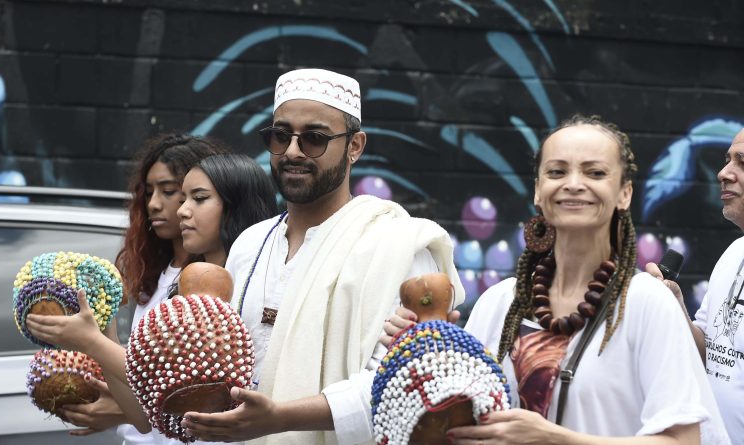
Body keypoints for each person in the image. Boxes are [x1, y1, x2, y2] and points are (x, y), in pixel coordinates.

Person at [386, 115, 728, 445]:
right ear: (538, 189)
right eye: (557, 171)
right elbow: (465, 421)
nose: (574, 183)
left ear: (624, 193)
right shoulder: (501, 302)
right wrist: (421, 351)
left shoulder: (647, 303)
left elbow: (682, 441)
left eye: (595, 172)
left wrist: (556, 439)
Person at [178, 68, 463, 445]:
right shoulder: (250, 245)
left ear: (355, 146)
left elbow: (400, 383)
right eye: (281, 136)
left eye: (314, 138)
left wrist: (279, 418)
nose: (293, 151)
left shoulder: (396, 246)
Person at [26, 133, 223, 444]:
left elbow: (174, 386)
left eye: (170, 191)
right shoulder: (155, 275)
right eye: (148, 192)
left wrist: (94, 344)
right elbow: (144, 413)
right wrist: (104, 330)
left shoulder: (211, 280)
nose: (154, 203)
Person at [646, 128, 744, 441]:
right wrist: (675, 308)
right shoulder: (734, 253)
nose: (723, 173)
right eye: (727, 160)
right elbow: (709, 354)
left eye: (742, 162)